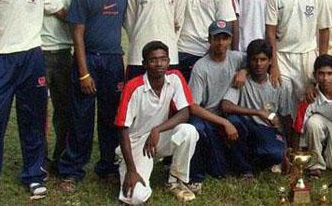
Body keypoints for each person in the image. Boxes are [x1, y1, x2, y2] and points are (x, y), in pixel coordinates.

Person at [0, 0, 65, 202]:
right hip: (1, 59)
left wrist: (92, 21)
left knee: (33, 119)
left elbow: (61, 12)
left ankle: (33, 175)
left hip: (32, 58)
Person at [58, 0, 127, 191]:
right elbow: (77, 33)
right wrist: (84, 71)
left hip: (113, 61)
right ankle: (72, 169)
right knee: (82, 117)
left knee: (111, 117)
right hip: (89, 60)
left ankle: (107, 166)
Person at [115, 41, 199, 204]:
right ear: (144, 64)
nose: (159, 64)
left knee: (188, 131)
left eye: (163, 59)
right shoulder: (134, 86)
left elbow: (185, 112)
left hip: (158, 137)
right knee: (136, 197)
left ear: (168, 61)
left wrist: (157, 130)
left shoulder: (174, 78)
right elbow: (122, 129)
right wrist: (132, 171)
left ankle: (175, 181)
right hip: (137, 143)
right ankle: (124, 163)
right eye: (153, 60)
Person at [266, 0, 332, 120]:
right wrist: (273, 64)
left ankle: (302, 144)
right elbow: (270, 32)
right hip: (282, 55)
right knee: (283, 99)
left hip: (308, 55)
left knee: (307, 99)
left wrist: (321, 64)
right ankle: (285, 143)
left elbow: (324, 31)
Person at [32, 0, 79, 173]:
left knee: (64, 109)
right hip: (36, 51)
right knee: (38, 109)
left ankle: (60, 157)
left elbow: (75, 16)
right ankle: (39, 161)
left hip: (63, 52)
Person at [187, 20, 244, 193]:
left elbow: (256, 60)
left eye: (225, 38)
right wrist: (224, 123)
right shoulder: (201, 67)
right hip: (207, 113)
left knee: (239, 123)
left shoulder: (236, 57)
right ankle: (196, 175)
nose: (221, 43)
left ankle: (243, 167)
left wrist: (244, 71)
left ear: (230, 39)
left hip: (228, 111)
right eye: (216, 38)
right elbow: (194, 107)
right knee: (197, 128)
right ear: (209, 39)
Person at [220, 39, 289, 177]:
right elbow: (225, 105)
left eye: (263, 59)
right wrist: (258, 112)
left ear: (270, 61)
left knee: (275, 153)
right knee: (234, 121)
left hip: (266, 129)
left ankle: (254, 159)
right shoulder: (242, 80)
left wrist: (286, 145)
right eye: (254, 59)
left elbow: (286, 117)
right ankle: (245, 171)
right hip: (246, 127)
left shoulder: (279, 84)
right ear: (249, 61)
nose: (258, 64)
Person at [294, 54, 332, 177]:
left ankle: (324, 147)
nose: (325, 78)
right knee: (312, 123)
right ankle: (315, 166)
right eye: (321, 73)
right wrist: (295, 159)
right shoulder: (310, 97)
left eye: (329, 73)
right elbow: (298, 127)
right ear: (315, 75)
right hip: (322, 121)